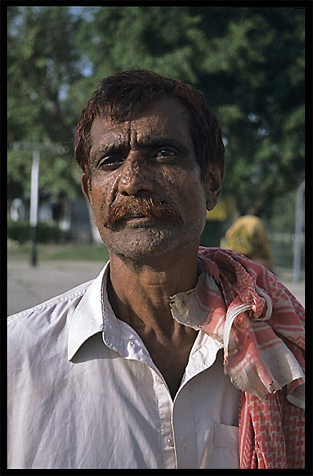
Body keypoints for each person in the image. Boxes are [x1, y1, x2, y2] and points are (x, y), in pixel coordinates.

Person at [7, 69, 305, 470]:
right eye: (110, 161)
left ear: (212, 181)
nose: (132, 182)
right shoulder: (19, 357)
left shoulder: (283, 353)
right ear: (89, 192)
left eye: (163, 153)